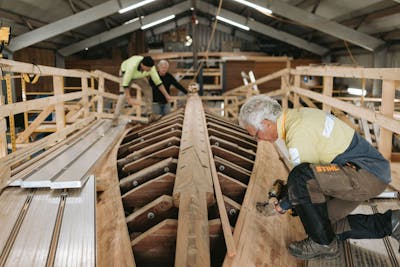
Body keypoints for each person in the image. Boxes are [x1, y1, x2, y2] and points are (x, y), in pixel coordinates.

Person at [238, 95, 398, 260]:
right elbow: (312, 179)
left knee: (300, 179)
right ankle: (392, 223)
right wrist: (290, 197)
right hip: (361, 172)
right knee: (320, 224)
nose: (259, 140)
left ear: (265, 124)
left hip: (366, 174)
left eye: (256, 134)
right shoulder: (296, 117)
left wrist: (281, 206)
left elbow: (303, 180)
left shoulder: (298, 133)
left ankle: (324, 244)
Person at [113, 55, 172, 124]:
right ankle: (115, 118)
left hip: (139, 75)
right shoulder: (131, 67)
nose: (149, 70)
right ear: (142, 65)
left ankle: (150, 115)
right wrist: (128, 98)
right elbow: (125, 84)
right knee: (123, 95)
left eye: (150, 68)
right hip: (125, 73)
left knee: (148, 89)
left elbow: (158, 83)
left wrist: (166, 95)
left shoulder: (151, 68)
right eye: (148, 68)